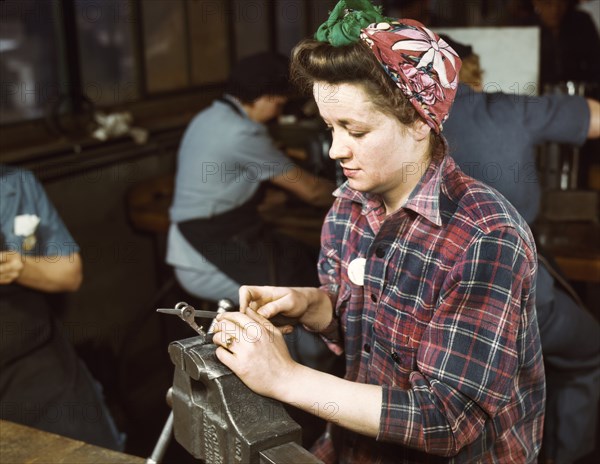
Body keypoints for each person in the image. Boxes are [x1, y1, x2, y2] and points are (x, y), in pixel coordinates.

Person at [210, 1, 546, 462]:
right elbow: (371, 331)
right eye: (330, 127)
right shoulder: (349, 207)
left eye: (355, 129)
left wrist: (285, 378)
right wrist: (315, 305)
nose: (334, 149)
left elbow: (444, 419)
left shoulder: (485, 239)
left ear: (418, 122)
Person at [441, 35, 600, 464]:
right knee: (590, 351)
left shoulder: (392, 119)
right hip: (513, 294)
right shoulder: (506, 108)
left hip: (428, 296)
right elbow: (595, 117)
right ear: (464, 68)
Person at [167, 52, 337, 371]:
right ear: (265, 98)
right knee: (298, 288)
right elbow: (312, 191)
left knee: (297, 259)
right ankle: (306, 369)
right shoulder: (242, 133)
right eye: (278, 104)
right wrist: (357, 192)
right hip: (204, 253)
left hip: (196, 238)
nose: (277, 113)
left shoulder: (211, 116)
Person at [0, 164, 123, 450]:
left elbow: (70, 273)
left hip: (37, 360)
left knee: (91, 450)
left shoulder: (16, 184)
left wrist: (20, 266)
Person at [529, 0, 600, 90]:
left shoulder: (581, 22)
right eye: (547, 3)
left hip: (578, 95)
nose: (555, 10)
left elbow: (596, 64)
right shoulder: (526, 27)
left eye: (561, 3)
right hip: (538, 97)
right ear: (536, 3)